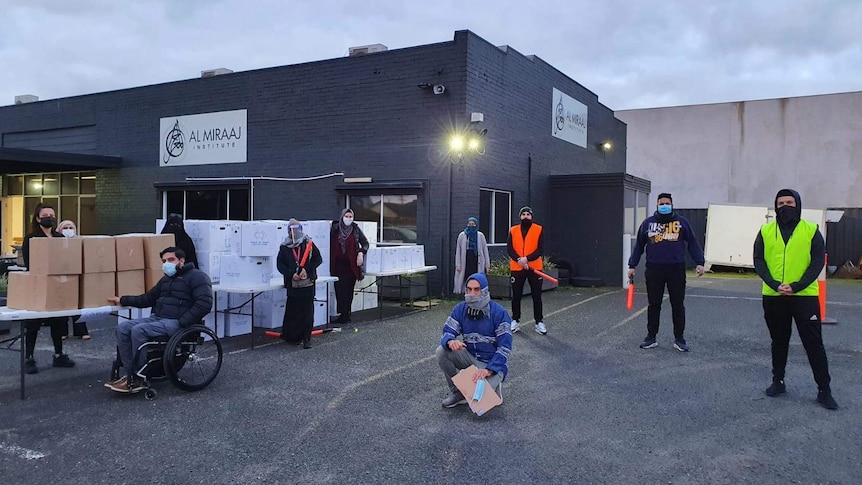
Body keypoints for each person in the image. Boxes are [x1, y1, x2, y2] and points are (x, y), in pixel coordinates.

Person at [753, 189, 838, 410]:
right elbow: (758, 260)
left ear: (797, 204)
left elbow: (817, 262)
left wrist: (797, 286)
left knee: (813, 343)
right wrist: (774, 284)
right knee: (779, 341)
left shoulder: (811, 230)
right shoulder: (765, 230)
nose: (785, 206)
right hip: (774, 295)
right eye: (780, 203)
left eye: (789, 202)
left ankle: (824, 390)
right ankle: (778, 381)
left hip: (804, 296)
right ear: (775, 205)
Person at [105, 247, 212, 393]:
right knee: (123, 328)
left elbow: (204, 304)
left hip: (178, 322)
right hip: (159, 318)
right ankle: (130, 373)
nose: (166, 263)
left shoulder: (198, 277)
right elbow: (148, 298)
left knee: (138, 330)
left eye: (170, 260)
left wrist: (183, 322)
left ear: (181, 260)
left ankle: (139, 377)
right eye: (164, 261)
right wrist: (123, 299)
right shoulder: (166, 280)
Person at [628, 193, 705, 352]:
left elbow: (692, 242)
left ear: (671, 205)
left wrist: (700, 262)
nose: (664, 205)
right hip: (654, 269)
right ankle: (651, 337)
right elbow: (639, 246)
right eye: (661, 203)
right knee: (654, 304)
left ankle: (679, 339)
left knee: (677, 304)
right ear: (657, 205)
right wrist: (632, 265)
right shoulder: (648, 224)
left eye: (667, 203)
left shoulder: (681, 223)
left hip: (676, 269)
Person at [435, 273, 513, 408]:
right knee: (441, 351)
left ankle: (494, 386)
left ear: (485, 291)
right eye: (469, 289)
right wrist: (450, 342)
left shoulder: (499, 313)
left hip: (490, 364)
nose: (472, 294)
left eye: (476, 290)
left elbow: (505, 348)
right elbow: (447, 331)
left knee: (480, 405)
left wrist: (489, 370)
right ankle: (458, 392)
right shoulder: (460, 309)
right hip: (470, 358)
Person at [20, 203, 76, 374]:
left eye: (52, 215)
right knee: (33, 323)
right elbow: (30, 263)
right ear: (38, 218)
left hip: (57, 284)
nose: (49, 217)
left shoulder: (59, 238)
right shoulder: (31, 239)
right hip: (38, 285)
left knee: (58, 321)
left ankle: (58, 354)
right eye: (45, 215)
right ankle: (29, 357)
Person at [278, 219, 323, 349]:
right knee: (293, 312)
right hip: (293, 285)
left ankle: (306, 338)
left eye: (296, 230)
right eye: (291, 230)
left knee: (307, 312)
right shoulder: (284, 246)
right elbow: (280, 265)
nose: (294, 233)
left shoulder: (308, 243)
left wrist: (306, 270)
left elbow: (318, 259)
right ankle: (292, 337)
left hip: (308, 284)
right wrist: (292, 273)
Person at [507, 206, 547, 335]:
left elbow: (540, 249)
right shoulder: (513, 230)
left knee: (537, 296)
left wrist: (527, 259)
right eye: (523, 214)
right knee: (516, 296)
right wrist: (519, 260)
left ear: (531, 217)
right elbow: (510, 249)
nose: (525, 216)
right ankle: (515, 320)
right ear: (520, 217)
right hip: (517, 267)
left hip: (534, 267)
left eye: (528, 214)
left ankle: (539, 322)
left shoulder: (538, 229)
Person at [330, 209, 369, 324]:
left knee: (348, 290)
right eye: (346, 216)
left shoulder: (355, 229)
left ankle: (346, 314)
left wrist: (361, 252)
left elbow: (365, 243)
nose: (348, 218)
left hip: (351, 266)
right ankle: (342, 314)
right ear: (342, 217)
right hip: (337, 265)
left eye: (350, 216)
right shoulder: (335, 229)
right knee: (339, 290)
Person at [57, 220, 91, 340]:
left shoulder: (79, 242)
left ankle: (81, 331)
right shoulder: (55, 243)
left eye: (70, 227)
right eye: (65, 228)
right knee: (62, 304)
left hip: (76, 276)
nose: (68, 230)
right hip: (60, 275)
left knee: (78, 305)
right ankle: (62, 332)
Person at [453, 217, 490, 294]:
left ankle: (477, 292)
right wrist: (458, 265)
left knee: (476, 277)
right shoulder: (462, 235)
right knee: (466, 276)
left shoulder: (480, 235)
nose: (471, 226)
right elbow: (458, 251)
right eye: (469, 224)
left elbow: (485, 250)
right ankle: (467, 292)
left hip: (477, 260)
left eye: (473, 224)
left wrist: (487, 265)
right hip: (466, 260)